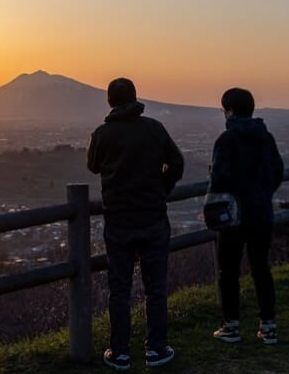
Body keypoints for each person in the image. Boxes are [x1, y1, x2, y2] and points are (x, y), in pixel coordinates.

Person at [87, 77, 185, 371]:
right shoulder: (154, 128)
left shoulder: (103, 134)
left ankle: (120, 353)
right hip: (153, 217)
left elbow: (92, 165)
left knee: (120, 289)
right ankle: (156, 349)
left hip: (118, 221)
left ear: (109, 101)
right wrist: (160, 191)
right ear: (135, 98)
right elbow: (177, 163)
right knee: (156, 287)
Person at [208, 87, 285, 346]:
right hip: (261, 214)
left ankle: (231, 325)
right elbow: (277, 171)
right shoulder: (266, 137)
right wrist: (261, 194)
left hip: (233, 217)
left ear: (229, 110)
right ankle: (269, 326)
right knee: (261, 268)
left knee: (228, 270)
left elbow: (218, 177)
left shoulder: (227, 140)